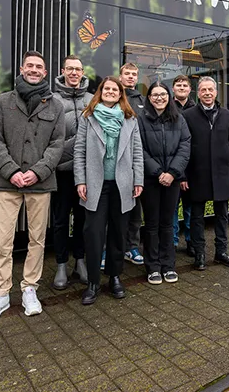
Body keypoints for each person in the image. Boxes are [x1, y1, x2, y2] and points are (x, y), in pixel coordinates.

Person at [0, 51, 65, 322]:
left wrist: (37, 172)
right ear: (21, 68)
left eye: (39, 66)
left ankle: (30, 288)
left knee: (37, 240)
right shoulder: (4, 101)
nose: (34, 69)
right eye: (30, 65)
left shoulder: (56, 105)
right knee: (2, 241)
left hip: (40, 184)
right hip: (8, 182)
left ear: (45, 72)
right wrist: (13, 171)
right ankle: (1, 294)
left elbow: (57, 144)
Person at [74, 76, 144, 305]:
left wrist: (138, 180)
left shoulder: (130, 119)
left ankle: (114, 277)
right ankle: (93, 282)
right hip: (95, 184)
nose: (111, 92)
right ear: (100, 92)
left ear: (121, 93)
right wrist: (80, 181)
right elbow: (79, 151)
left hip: (122, 184)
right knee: (93, 233)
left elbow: (137, 153)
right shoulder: (88, 116)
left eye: (115, 89)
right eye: (107, 89)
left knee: (118, 232)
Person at [182, 77, 229, 271]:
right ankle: (199, 254)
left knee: (222, 215)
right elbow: (182, 147)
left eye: (210, 90)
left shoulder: (227, 115)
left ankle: (221, 252)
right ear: (197, 94)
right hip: (197, 174)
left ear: (216, 93)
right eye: (203, 90)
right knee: (196, 217)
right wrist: (182, 176)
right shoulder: (188, 115)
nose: (207, 93)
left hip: (222, 174)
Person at [138, 82, 191, 284]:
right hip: (151, 179)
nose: (159, 98)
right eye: (155, 95)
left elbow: (185, 147)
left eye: (163, 94)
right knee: (151, 224)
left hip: (173, 180)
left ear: (169, 97)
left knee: (168, 224)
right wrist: (159, 172)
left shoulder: (179, 119)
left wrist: (172, 173)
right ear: (149, 97)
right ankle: (152, 267)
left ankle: (168, 265)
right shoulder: (140, 119)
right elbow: (138, 149)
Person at [50, 55, 92, 290]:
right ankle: (61, 265)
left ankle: (81, 261)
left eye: (78, 69)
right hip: (61, 172)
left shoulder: (91, 99)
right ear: (62, 70)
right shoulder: (52, 99)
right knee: (60, 220)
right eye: (70, 69)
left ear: (82, 71)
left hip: (86, 172)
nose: (74, 73)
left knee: (83, 219)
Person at [119, 62, 145, 266]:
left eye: (133, 74)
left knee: (136, 210)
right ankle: (110, 248)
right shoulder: (113, 97)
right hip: (115, 163)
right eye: (127, 73)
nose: (130, 77)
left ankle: (132, 247)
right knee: (114, 210)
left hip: (136, 164)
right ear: (120, 77)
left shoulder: (143, 101)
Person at [171, 75, 195, 256]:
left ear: (190, 89)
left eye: (184, 85)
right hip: (173, 166)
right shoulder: (166, 107)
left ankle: (191, 242)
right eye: (178, 85)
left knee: (190, 208)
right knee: (172, 208)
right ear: (173, 89)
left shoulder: (196, 109)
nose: (181, 87)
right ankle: (171, 242)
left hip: (192, 167)